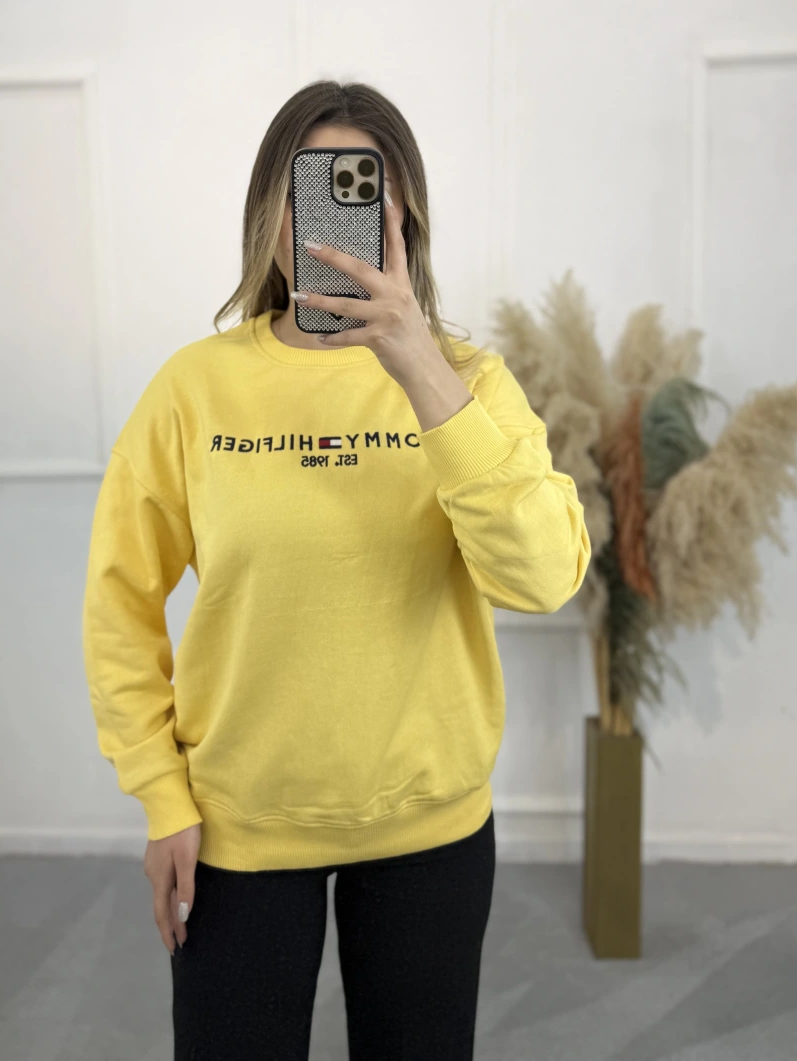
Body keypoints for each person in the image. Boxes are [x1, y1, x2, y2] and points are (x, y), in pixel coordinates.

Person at [82, 80, 592, 1060]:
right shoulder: (194, 388)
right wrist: (160, 794)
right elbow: (119, 603)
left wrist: (420, 368)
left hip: (431, 828)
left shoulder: (468, 381)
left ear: (404, 221)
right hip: (237, 825)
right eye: (307, 189)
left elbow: (541, 576)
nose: (329, 222)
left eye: (363, 192)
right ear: (267, 213)